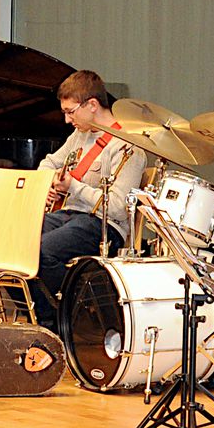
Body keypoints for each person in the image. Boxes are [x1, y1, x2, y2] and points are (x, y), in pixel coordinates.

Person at [34, 69, 148, 329]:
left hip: (103, 224)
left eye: (70, 112)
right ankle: (43, 318)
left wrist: (73, 186)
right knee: (16, 243)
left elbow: (118, 208)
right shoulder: (80, 135)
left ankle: (72, 314)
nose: (66, 120)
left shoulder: (128, 147)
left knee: (41, 252)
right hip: (69, 216)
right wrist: (52, 181)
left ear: (93, 105)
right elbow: (48, 163)